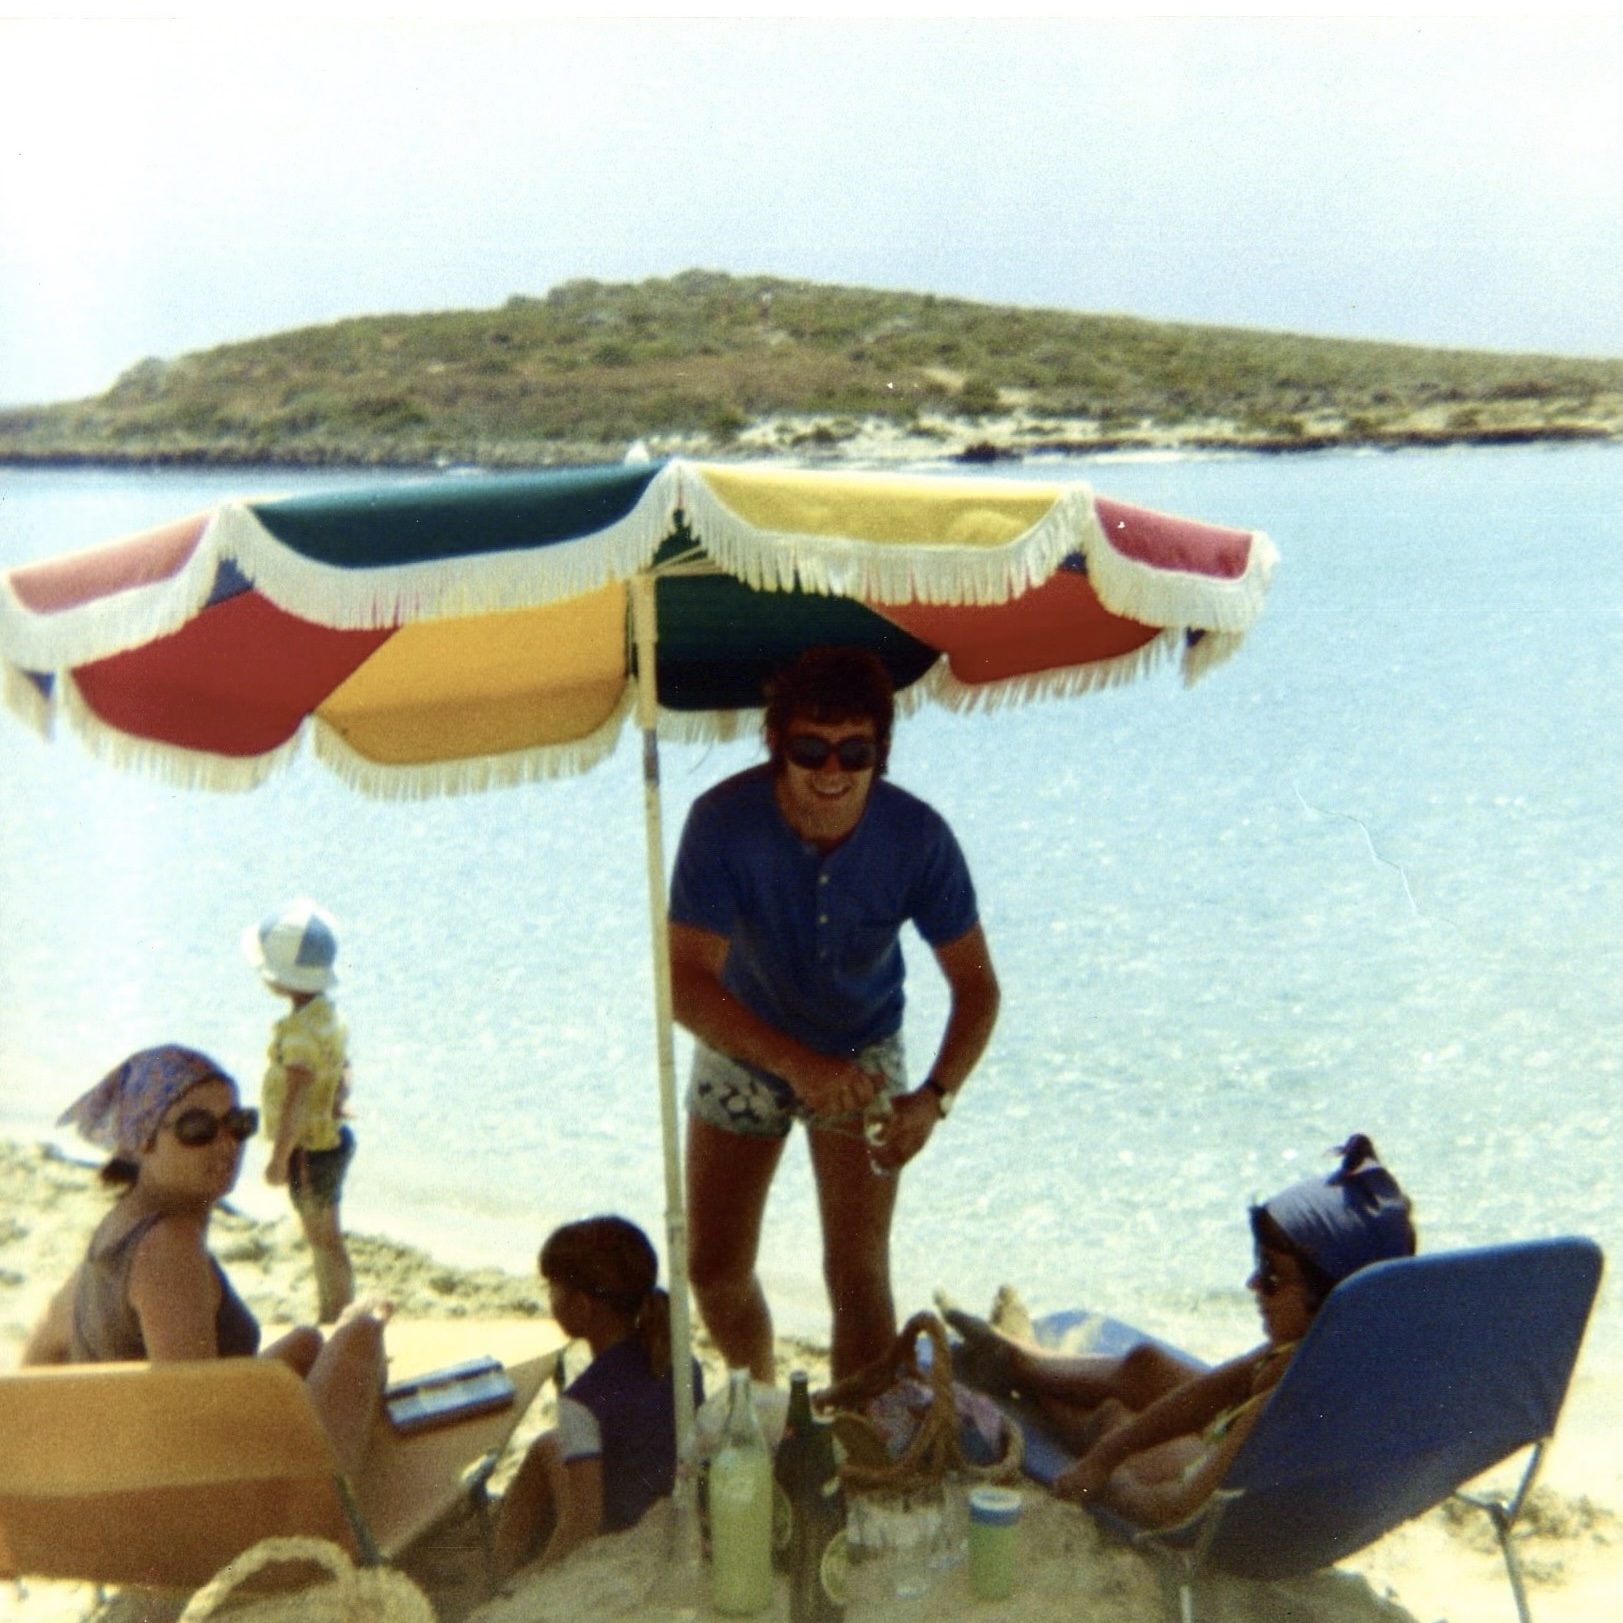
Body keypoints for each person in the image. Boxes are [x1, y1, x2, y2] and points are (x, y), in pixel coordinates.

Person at [668, 646, 1000, 1383]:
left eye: (854, 750)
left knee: (857, 1274)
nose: (830, 771)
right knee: (714, 1268)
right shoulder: (721, 821)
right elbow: (684, 984)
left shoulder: (917, 837)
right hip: (744, 1038)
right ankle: (759, 1401)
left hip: (861, 1050)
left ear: (880, 752)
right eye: (809, 747)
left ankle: (855, 1443)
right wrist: (792, 1064)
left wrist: (934, 1098)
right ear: (775, 744)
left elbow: (977, 988)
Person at [942, 1135, 1417, 1529]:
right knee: (1144, 1365)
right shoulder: (1331, 1349)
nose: (1253, 1284)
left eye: (1271, 1276)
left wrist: (1105, 1474)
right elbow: (1211, 1393)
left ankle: (1012, 1370)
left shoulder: (1284, 1399)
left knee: (1112, 1414)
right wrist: (1113, 1454)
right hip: (1267, 1482)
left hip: (1228, 1509)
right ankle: (1018, 1361)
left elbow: (1175, 1510)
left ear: (1331, 1298)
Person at [22, 1045, 388, 1478]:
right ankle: (347, 1499)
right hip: (195, 1500)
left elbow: (38, 1358)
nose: (226, 1143)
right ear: (142, 1141)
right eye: (197, 1129)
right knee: (361, 1332)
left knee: (308, 1343)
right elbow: (195, 1426)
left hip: (134, 1467)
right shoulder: (167, 1247)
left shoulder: (119, 1229)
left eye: (238, 1124)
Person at [492, 1216, 705, 1581]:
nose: (550, 1300)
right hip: (671, 1512)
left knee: (549, 1452)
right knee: (547, 1445)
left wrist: (540, 1574)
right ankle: (498, 1569)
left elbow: (583, 1524)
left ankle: (497, 1577)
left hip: (620, 1537)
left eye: (553, 1290)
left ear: (582, 1307)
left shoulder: (582, 1402)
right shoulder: (681, 1363)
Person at [244, 899, 356, 1323]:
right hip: (327, 1139)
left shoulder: (300, 1033)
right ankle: (336, 1313)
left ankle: (336, 1317)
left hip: (309, 1149)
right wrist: (341, 1100)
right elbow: (343, 1064)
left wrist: (278, 1158)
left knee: (323, 1239)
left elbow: (296, 1098)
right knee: (327, 1236)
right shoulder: (326, 1015)